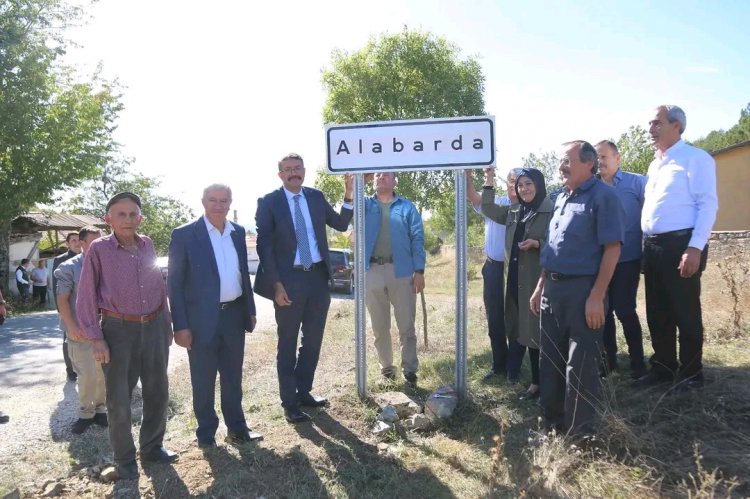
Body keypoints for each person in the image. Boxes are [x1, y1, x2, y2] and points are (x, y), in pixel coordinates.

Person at [76, 192, 176, 480]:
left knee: (158, 391)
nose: (128, 219)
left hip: (155, 326)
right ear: (108, 219)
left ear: (141, 218)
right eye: (121, 214)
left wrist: (166, 323)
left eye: (133, 214)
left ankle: (152, 447)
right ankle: (124, 460)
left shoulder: (147, 244)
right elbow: (86, 295)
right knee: (119, 400)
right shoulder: (98, 249)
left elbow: (158, 285)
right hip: (119, 331)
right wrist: (96, 337)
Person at [530, 140, 624, 435]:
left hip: (584, 292)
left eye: (568, 161)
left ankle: (579, 435)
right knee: (551, 362)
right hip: (552, 291)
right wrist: (539, 286)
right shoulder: (559, 199)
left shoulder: (604, 197)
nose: (562, 166)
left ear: (589, 163)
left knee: (580, 367)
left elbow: (612, 249)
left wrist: (597, 296)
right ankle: (551, 426)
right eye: (560, 161)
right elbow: (552, 250)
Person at [254, 153, 353, 424]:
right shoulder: (269, 202)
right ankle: (289, 402)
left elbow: (342, 225)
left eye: (297, 168)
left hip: (318, 278)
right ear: (280, 175)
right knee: (287, 343)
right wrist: (276, 285)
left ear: (304, 171)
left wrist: (348, 194)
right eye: (287, 169)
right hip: (288, 281)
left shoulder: (316, 197)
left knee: (312, 341)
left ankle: (303, 391)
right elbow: (265, 247)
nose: (293, 173)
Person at [168, 184, 261, 448]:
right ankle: (206, 434)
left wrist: (250, 309)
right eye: (213, 200)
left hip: (233, 315)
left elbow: (242, 272)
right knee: (203, 378)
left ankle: (238, 428)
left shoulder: (237, 232)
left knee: (233, 377)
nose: (219, 205)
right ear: (203, 202)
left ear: (230, 203)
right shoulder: (185, 234)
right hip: (200, 321)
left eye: (224, 200)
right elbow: (174, 284)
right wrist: (180, 325)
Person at [634, 105, 718, 392]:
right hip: (654, 247)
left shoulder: (696, 158)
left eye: (657, 122)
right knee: (658, 312)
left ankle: (692, 373)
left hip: (681, 245)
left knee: (685, 311)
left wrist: (695, 248)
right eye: (650, 123)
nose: (651, 128)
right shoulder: (655, 163)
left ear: (677, 126)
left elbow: (708, 204)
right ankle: (664, 367)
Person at [482, 168, 553, 400]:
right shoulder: (514, 211)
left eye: (528, 184)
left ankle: (545, 383)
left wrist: (538, 243)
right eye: (520, 185)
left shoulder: (550, 210)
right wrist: (489, 181)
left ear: (539, 185)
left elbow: (561, 241)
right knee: (525, 329)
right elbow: (488, 208)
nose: (524, 189)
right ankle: (536, 383)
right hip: (514, 280)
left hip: (537, 281)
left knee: (539, 331)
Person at [364, 172, 426, 386]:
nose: (380, 177)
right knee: (379, 325)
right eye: (377, 175)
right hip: (371, 270)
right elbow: (347, 214)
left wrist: (419, 270)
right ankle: (387, 369)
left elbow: (418, 237)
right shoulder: (364, 206)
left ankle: (409, 369)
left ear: (394, 181)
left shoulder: (407, 207)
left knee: (406, 324)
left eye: (386, 175)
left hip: (402, 271)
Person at [595, 140, 648, 379]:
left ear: (618, 158)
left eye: (604, 157)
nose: (600, 162)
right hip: (600, 261)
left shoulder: (638, 183)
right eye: (596, 158)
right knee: (603, 312)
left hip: (628, 259)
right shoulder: (592, 187)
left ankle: (638, 365)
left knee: (625, 310)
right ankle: (608, 364)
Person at [465, 168, 518, 381]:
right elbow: (472, 196)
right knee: (494, 319)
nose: (515, 185)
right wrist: (469, 175)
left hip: (515, 270)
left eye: (520, 182)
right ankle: (499, 366)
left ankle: (514, 368)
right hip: (493, 268)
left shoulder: (525, 208)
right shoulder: (494, 202)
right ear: (506, 184)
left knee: (515, 319)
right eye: (512, 181)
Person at [55, 226, 107, 434]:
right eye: (92, 242)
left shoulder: (108, 264)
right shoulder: (69, 268)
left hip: (104, 330)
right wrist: (71, 325)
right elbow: (62, 299)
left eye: (100, 242)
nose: (98, 246)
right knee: (86, 374)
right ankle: (86, 412)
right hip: (80, 330)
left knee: (102, 373)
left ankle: (102, 409)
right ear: (81, 243)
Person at [53, 232, 83, 381]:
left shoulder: (89, 257)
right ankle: (71, 371)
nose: (77, 243)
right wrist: (61, 311)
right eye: (73, 240)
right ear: (68, 243)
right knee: (68, 338)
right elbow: (56, 287)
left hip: (85, 307)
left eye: (79, 240)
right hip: (67, 305)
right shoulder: (61, 260)